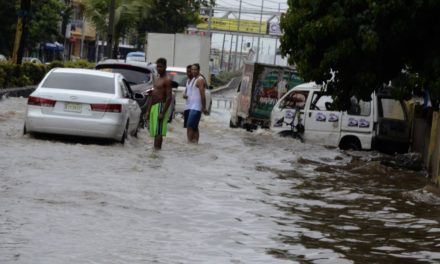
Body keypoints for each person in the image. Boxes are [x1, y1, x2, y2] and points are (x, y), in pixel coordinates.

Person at [145, 58, 172, 150]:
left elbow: (169, 97)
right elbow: (153, 95)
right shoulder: (156, 79)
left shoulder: (167, 80)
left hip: (161, 106)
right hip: (154, 106)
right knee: (154, 131)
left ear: (165, 67)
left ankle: (157, 151)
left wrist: (163, 113)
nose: (159, 68)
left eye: (161, 66)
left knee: (158, 132)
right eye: (158, 66)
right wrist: (148, 111)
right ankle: (155, 151)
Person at [186, 63, 209, 144]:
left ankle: (189, 144)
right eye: (192, 69)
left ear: (199, 70)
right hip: (192, 106)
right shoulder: (194, 79)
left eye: (195, 69)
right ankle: (195, 144)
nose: (193, 71)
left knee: (190, 126)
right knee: (194, 127)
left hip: (196, 107)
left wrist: (204, 107)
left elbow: (203, 95)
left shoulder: (200, 79)